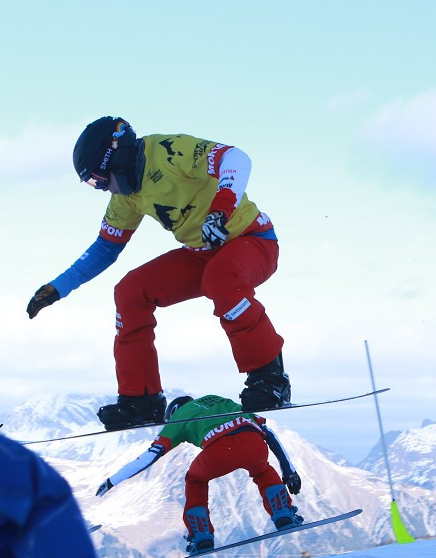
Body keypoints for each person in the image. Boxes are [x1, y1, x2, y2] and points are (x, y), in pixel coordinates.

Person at [26, 116, 289, 431]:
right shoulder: (125, 198)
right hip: (203, 254)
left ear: (118, 158)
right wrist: (57, 288)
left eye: (99, 179)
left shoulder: (167, 151)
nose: (101, 188)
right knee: (131, 291)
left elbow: (236, 158)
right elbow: (104, 249)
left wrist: (221, 209)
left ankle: (269, 377)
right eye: (93, 184)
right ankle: (142, 400)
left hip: (252, 240)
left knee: (221, 279)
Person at [95, 394, 303, 555]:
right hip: (253, 441)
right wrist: (289, 471)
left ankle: (201, 534)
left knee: (195, 479)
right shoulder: (219, 399)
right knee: (263, 470)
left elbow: (152, 455)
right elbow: (269, 433)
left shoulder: (177, 418)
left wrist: (113, 480)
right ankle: (282, 512)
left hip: (219, 450)